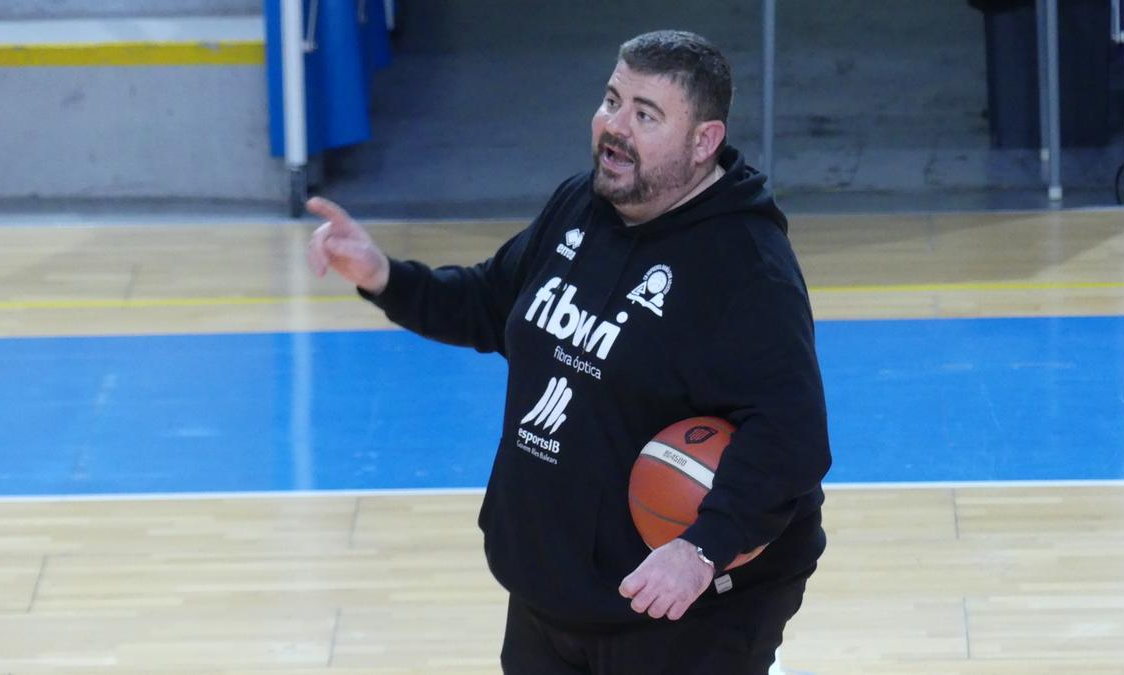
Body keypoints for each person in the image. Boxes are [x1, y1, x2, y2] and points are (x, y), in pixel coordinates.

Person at [306, 29, 831, 675]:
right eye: (611, 100)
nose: (615, 127)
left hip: (684, 610)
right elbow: (490, 303)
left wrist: (701, 549)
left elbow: (793, 436)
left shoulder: (747, 270)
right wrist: (385, 275)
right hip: (554, 594)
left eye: (645, 115)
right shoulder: (579, 206)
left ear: (703, 142)